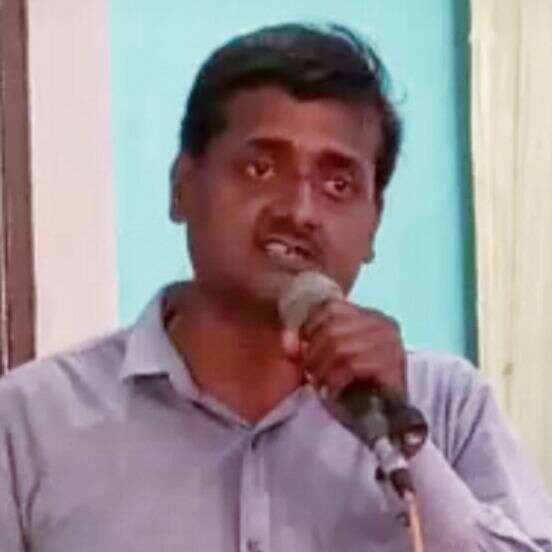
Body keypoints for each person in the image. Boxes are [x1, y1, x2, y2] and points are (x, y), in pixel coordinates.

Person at [1, 23, 551, 552]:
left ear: (374, 226)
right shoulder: (31, 422)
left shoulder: (445, 406)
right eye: (260, 169)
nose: (299, 211)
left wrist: (408, 449)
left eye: (338, 184)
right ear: (181, 187)